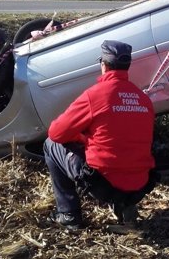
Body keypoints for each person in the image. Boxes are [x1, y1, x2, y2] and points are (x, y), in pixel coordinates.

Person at [43, 40, 157, 230]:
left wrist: (82, 138)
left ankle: (68, 214)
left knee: (50, 144)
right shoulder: (143, 99)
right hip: (141, 185)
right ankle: (125, 206)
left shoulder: (95, 95)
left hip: (103, 184)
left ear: (103, 64)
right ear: (127, 67)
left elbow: (56, 133)